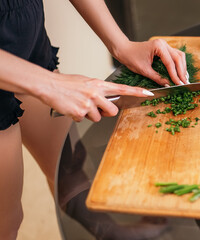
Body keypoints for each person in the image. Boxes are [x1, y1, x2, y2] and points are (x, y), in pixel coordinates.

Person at [0, 0, 189, 239]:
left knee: (68, 169)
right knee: (7, 222)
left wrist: (121, 44)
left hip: (26, 38)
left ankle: (112, 234)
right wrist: (51, 85)